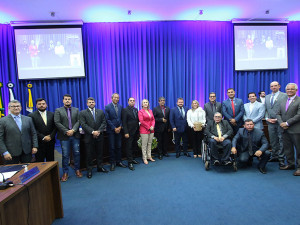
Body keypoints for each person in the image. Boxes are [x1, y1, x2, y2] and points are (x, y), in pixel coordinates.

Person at [0, 100, 38, 164]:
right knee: (12, 173)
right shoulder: (2, 121)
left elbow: (33, 133)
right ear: (9, 108)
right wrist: (5, 152)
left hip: (27, 152)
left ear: (21, 107)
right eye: (13, 106)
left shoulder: (28, 119)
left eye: (18, 106)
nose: (16, 108)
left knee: (28, 171)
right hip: (11, 153)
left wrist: (35, 146)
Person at [54, 94, 82, 181]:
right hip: (64, 136)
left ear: (71, 101)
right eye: (65, 99)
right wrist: (67, 131)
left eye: (69, 99)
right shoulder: (58, 110)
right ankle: (65, 173)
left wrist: (73, 130)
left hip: (75, 135)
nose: (67, 101)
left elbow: (79, 121)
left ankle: (77, 170)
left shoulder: (76, 110)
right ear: (63, 101)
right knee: (65, 155)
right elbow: (57, 122)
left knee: (76, 153)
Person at [80, 97, 107, 178]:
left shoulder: (100, 112)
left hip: (99, 135)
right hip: (89, 136)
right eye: (89, 102)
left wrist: (98, 131)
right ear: (87, 104)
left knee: (100, 152)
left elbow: (104, 122)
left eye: (92, 102)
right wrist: (92, 132)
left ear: (95, 103)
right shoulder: (83, 113)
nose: (91, 103)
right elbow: (83, 124)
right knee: (89, 154)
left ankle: (100, 167)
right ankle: (89, 170)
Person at [276, 83, 300, 176]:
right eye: (288, 89)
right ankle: (290, 164)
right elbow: (277, 113)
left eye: (291, 89)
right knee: (287, 148)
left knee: (299, 149)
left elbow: (299, 115)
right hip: (284, 129)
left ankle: (299, 167)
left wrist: (287, 123)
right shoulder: (283, 100)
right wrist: (281, 123)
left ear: (296, 90)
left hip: (295, 129)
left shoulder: (299, 100)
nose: (289, 91)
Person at [265, 81, 287, 166]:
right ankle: (274, 156)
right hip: (270, 122)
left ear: (279, 86)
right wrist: (267, 118)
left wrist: (278, 119)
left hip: (281, 122)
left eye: (275, 86)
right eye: (272, 86)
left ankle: (281, 158)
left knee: (281, 140)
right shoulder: (267, 97)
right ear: (270, 87)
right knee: (273, 140)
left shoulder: (284, 95)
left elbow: (286, 109)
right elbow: (266, 109)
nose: (273, 87)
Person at [28, 98, 56, 162]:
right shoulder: (31, 116)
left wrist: (51, 136)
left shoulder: (52, 114)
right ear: (36, 106)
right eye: (39, 104)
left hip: (50, 141)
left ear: (46, 105)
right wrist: (43, 137)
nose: (41, 105)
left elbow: (55, 127)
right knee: (39, 161)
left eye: (43, 104)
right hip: (39, 142)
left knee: (51, 160)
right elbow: (33, 129)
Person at [105, 93, 126, 171]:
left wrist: (120, 127)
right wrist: (114, 128)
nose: (117, 99)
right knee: (112, 147)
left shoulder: (120, 106)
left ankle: (119, 161)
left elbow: (121, 118)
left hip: (119, 130)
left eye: (118, 98)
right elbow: (107, 119)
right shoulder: (107, 107)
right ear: (111, 98)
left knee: (119, 146)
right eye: (115, 97)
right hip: (111, 130)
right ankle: (112, 163)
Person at [122, 97, 140, 170]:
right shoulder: (125, 110)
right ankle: (130, 162)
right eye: (131, 101)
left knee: (134, 146)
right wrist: (126, 132)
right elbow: (124, 122)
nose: (132, 102)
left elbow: (137, 120)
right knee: (129, 147)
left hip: (135, 131)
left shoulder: (136, 109)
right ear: (128, 102)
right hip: (128, 132)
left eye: (133, 101)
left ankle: (133, 159)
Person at [138, 99, 155, 164]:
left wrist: (152, 126)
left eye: (146, 102)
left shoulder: (150, 111)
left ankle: (149, 156)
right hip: (144, 130)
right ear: (142, 104)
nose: (145, 103)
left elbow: (153, 119)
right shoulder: (140, 112)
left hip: (152, 129)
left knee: (150, 143)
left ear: (148, 104)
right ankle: (144, 158)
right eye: (144, 102)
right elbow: (141, 121)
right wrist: (149, 127)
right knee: (144, 145)